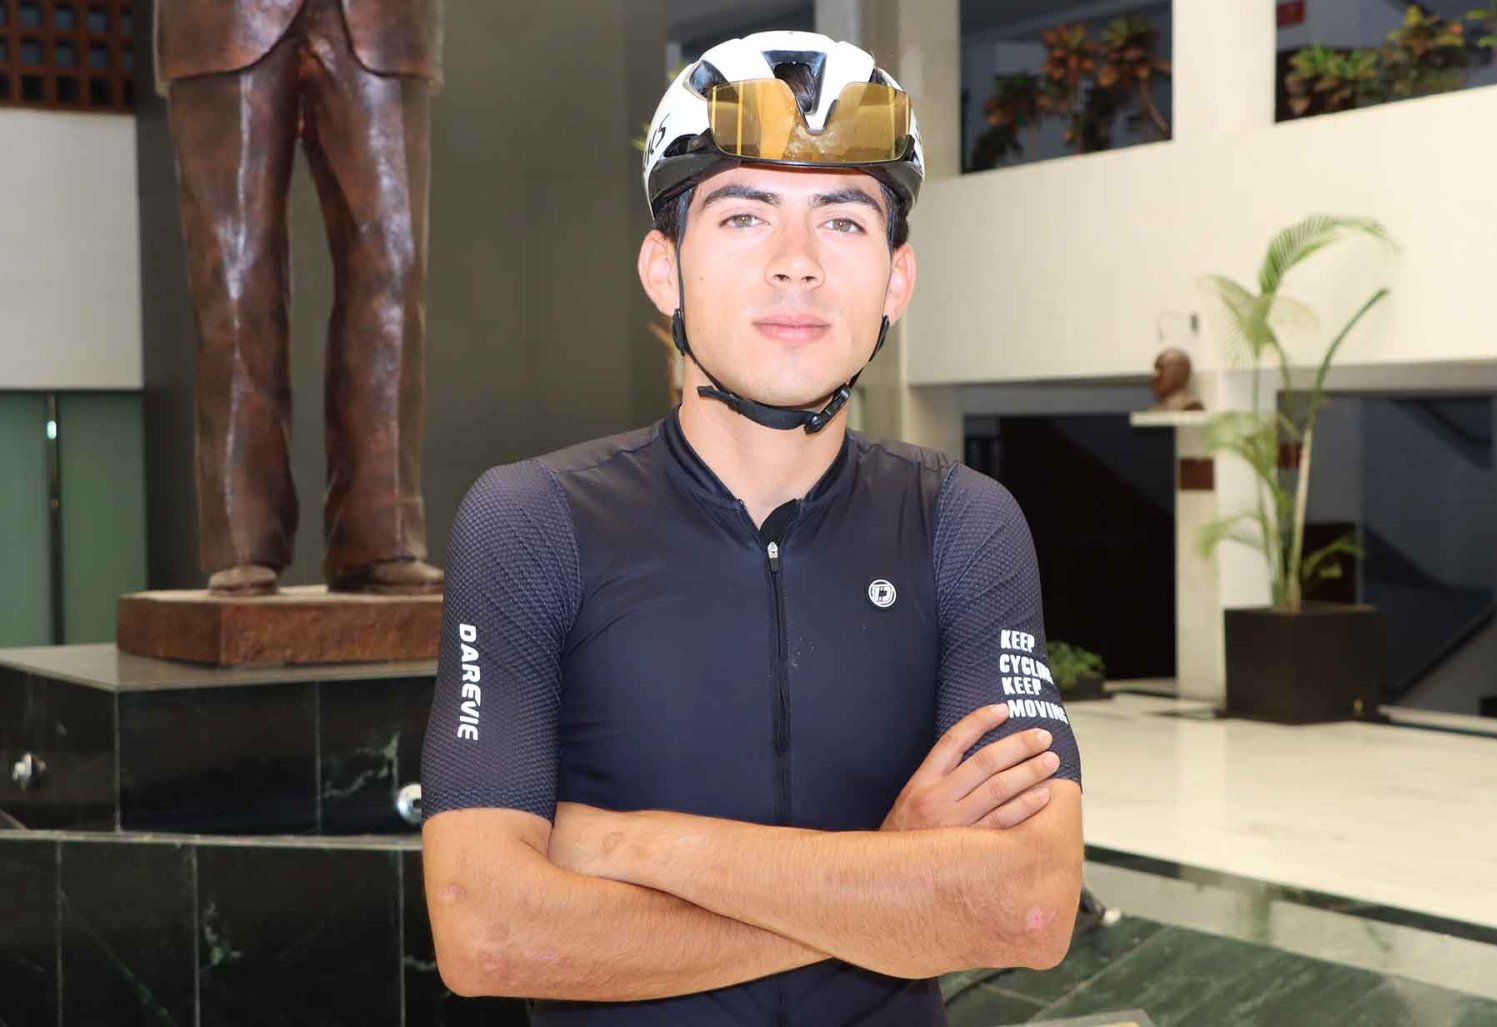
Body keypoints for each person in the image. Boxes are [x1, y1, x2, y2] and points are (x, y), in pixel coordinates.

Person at [420, 30, 1084, 1025]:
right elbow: (489, 935)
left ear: (896, 280)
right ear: (663, 270)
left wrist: (626, 844)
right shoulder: (532, 524)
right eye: (743, 215)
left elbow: (1027, 909)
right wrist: (893, 877)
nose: (796, 264)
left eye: (843, 221)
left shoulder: (962, 524)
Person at [155, 0, 447, 595]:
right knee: (233, 274)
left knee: (393, 270)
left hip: (385, 19)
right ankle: (242, 539)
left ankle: (380, 533)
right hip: (221, 17)